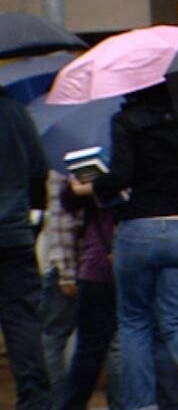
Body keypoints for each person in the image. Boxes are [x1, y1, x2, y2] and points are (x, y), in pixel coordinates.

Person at [70, 83, 178, 410]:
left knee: (134, 322)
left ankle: (142, 405)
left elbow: (120, 177)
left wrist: (93, 184)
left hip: (138, 229)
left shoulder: (127, 120)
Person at [0, 92, 52, 409]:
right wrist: (30, 218)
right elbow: (38, 171)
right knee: (23, 324)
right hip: (14, 234)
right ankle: (35, 400)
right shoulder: (14, 110)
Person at [57, 182, 120, 410]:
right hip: (136, 259)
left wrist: (84, 187)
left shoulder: (96, 161)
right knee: (137, 339)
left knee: (89, 346)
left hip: (98, 264)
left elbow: (65, 202)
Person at [39, 170, 81, 410]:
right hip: (99, 260)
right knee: (110, 341)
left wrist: (65, 271)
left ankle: (59, 404)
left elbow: (59, 220)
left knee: (53, 337)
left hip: (67, 262)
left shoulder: (60, 165)